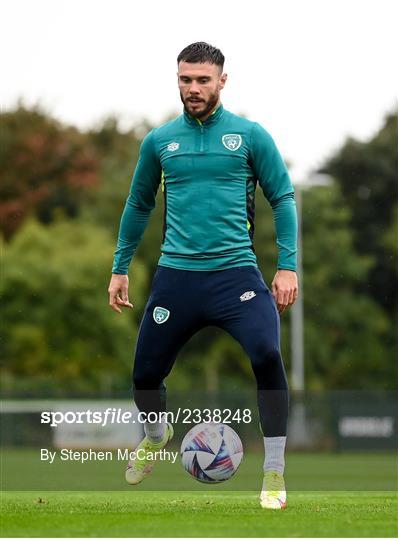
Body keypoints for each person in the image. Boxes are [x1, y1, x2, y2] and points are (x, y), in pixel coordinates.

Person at [108, 42, 298, 509]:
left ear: (222, 81)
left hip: (236, 277)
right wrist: (119, 267)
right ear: (178, 79)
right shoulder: (159, 141)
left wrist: (287, 265)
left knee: (268, 353)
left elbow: (284, 198)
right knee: (145, 376)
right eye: (185, 79)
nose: (193, 88)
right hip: (177, 278)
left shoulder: (250, 135)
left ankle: (274, 472)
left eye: (202, 80)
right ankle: (157, 433)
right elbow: (138, 204)